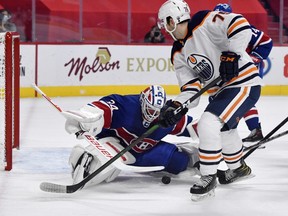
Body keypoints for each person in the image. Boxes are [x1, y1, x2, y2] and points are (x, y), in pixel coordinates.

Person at [157, 0, 262, 200]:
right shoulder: (177, 52)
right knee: (224, 129)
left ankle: (208, 176)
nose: (165, 27)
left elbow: (240, 24)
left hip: (243, 82)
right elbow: (191, 88)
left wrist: (233, 54)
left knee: (208, 122)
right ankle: (238, 169)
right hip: (221, 91)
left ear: (176, 18)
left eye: (167, 22)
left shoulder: (204, 20)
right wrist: (178, 105)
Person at [64, 85, 199, 187]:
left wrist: (214, 132)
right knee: (97, 170)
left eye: (156, 112)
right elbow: (102, 108)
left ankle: (192, 153)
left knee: (181, 162)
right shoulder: (126, 106)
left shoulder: (168, 116)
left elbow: (192, 127)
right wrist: (84, 119)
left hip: (144, 151)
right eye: (150, 109)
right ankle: (84, 159)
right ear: (142, 101)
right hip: (115, 143)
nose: (152, 115)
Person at [214, 3, 273, 143]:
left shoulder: (241, 27)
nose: (219, 18)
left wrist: (254, 58)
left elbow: (266, 41)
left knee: (241, 97)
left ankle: (245, 131)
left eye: (223, 15)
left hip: (246, 69)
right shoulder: (212, 31)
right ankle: (232, 131)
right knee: (223, 97)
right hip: (230, 70)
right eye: (217, 15)